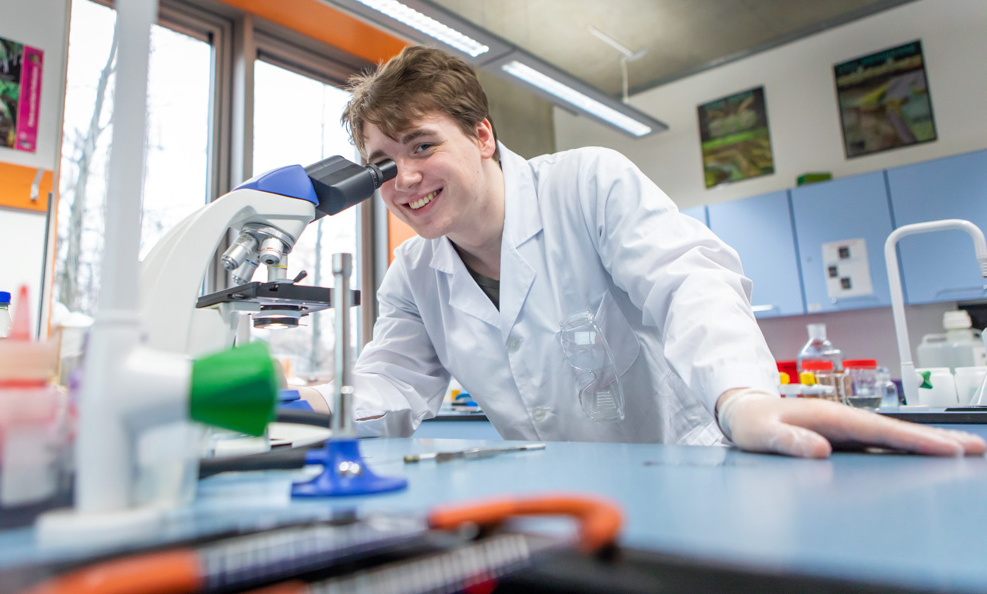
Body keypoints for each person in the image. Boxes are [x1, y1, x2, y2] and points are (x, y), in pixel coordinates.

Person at [302, 46, 983, 459]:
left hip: (686, 479)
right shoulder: (414, 274)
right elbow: (385, 390)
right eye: (383, 164)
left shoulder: (587, 184)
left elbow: (689, 281)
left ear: (482, 135)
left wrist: (741, 396)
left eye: (422, 146)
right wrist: (302, 405)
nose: (406, 179)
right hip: (557, 508)